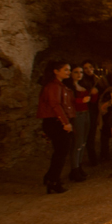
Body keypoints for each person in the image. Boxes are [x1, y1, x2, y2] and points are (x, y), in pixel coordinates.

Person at [37, 61, 75, 194]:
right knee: (61, 152)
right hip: (55, 122)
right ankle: (53, 181)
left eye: (69, 70)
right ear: (56, 71)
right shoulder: (54, 86)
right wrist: (65, 123)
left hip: (54, 121)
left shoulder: (58, 85)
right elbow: (56, 105)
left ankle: (50, 177)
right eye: (65, 70)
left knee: (59, 152)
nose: (68, 72)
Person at [66, 65, 92, 182]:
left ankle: (79, 166)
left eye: (81, 72)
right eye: (76, 72)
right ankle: (74, 169)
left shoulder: (83, 86)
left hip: (85, 114)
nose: (79, 74)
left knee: (83, 142)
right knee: (77, 142)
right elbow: (68, 102)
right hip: (77, 115)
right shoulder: (69, 88)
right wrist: (80, 100)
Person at [80, 61, 104, 166]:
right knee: (88, 135)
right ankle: (91, 159)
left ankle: (95, 157)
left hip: (96, 110)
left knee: (92, 133)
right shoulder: (82, 81)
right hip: (87, 110)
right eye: (85, 68)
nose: (89, 70)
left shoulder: (97, 79)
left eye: (90, 67)